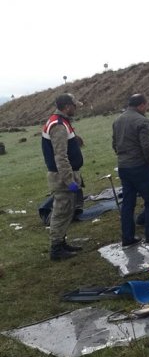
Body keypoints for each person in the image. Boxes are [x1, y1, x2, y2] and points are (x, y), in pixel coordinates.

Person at [112, 93, 149, 246]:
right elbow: (146, 146)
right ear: (141, 105)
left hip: (123, 167)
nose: (147, 108)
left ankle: (127, 238)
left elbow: (114, 145)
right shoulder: (142, 121)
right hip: (139, 167)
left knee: (128, 203)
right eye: (146, 105)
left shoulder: (117, 120)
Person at [41, 93, 85, 261]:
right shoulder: (58, 125)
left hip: (63, 175)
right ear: (67, 107)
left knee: (66, 211)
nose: (76, 109)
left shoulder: (60, 121)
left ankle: (61, 242)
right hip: (61, 177)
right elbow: (60, 156)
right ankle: (56, 249)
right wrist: (69, 180)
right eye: (74, 106)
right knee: (61, 212)